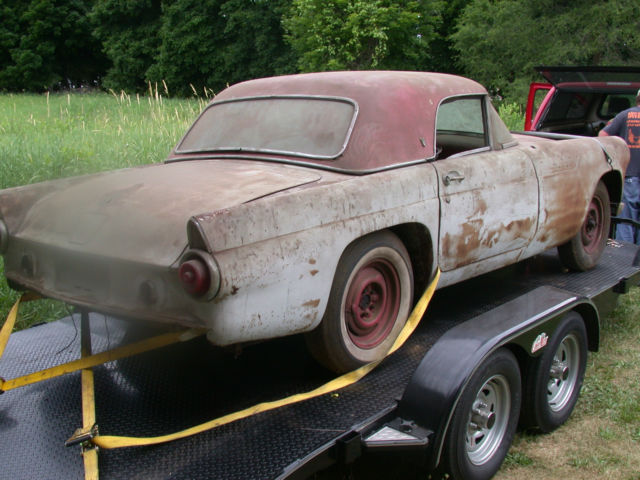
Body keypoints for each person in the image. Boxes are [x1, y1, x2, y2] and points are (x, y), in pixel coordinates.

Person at [598, 89, 640, 244]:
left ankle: (625, 253)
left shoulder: (624, 115)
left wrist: (613, 157)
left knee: (626, 219)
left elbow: (602, 136)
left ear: (637, 99)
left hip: (629, 174)